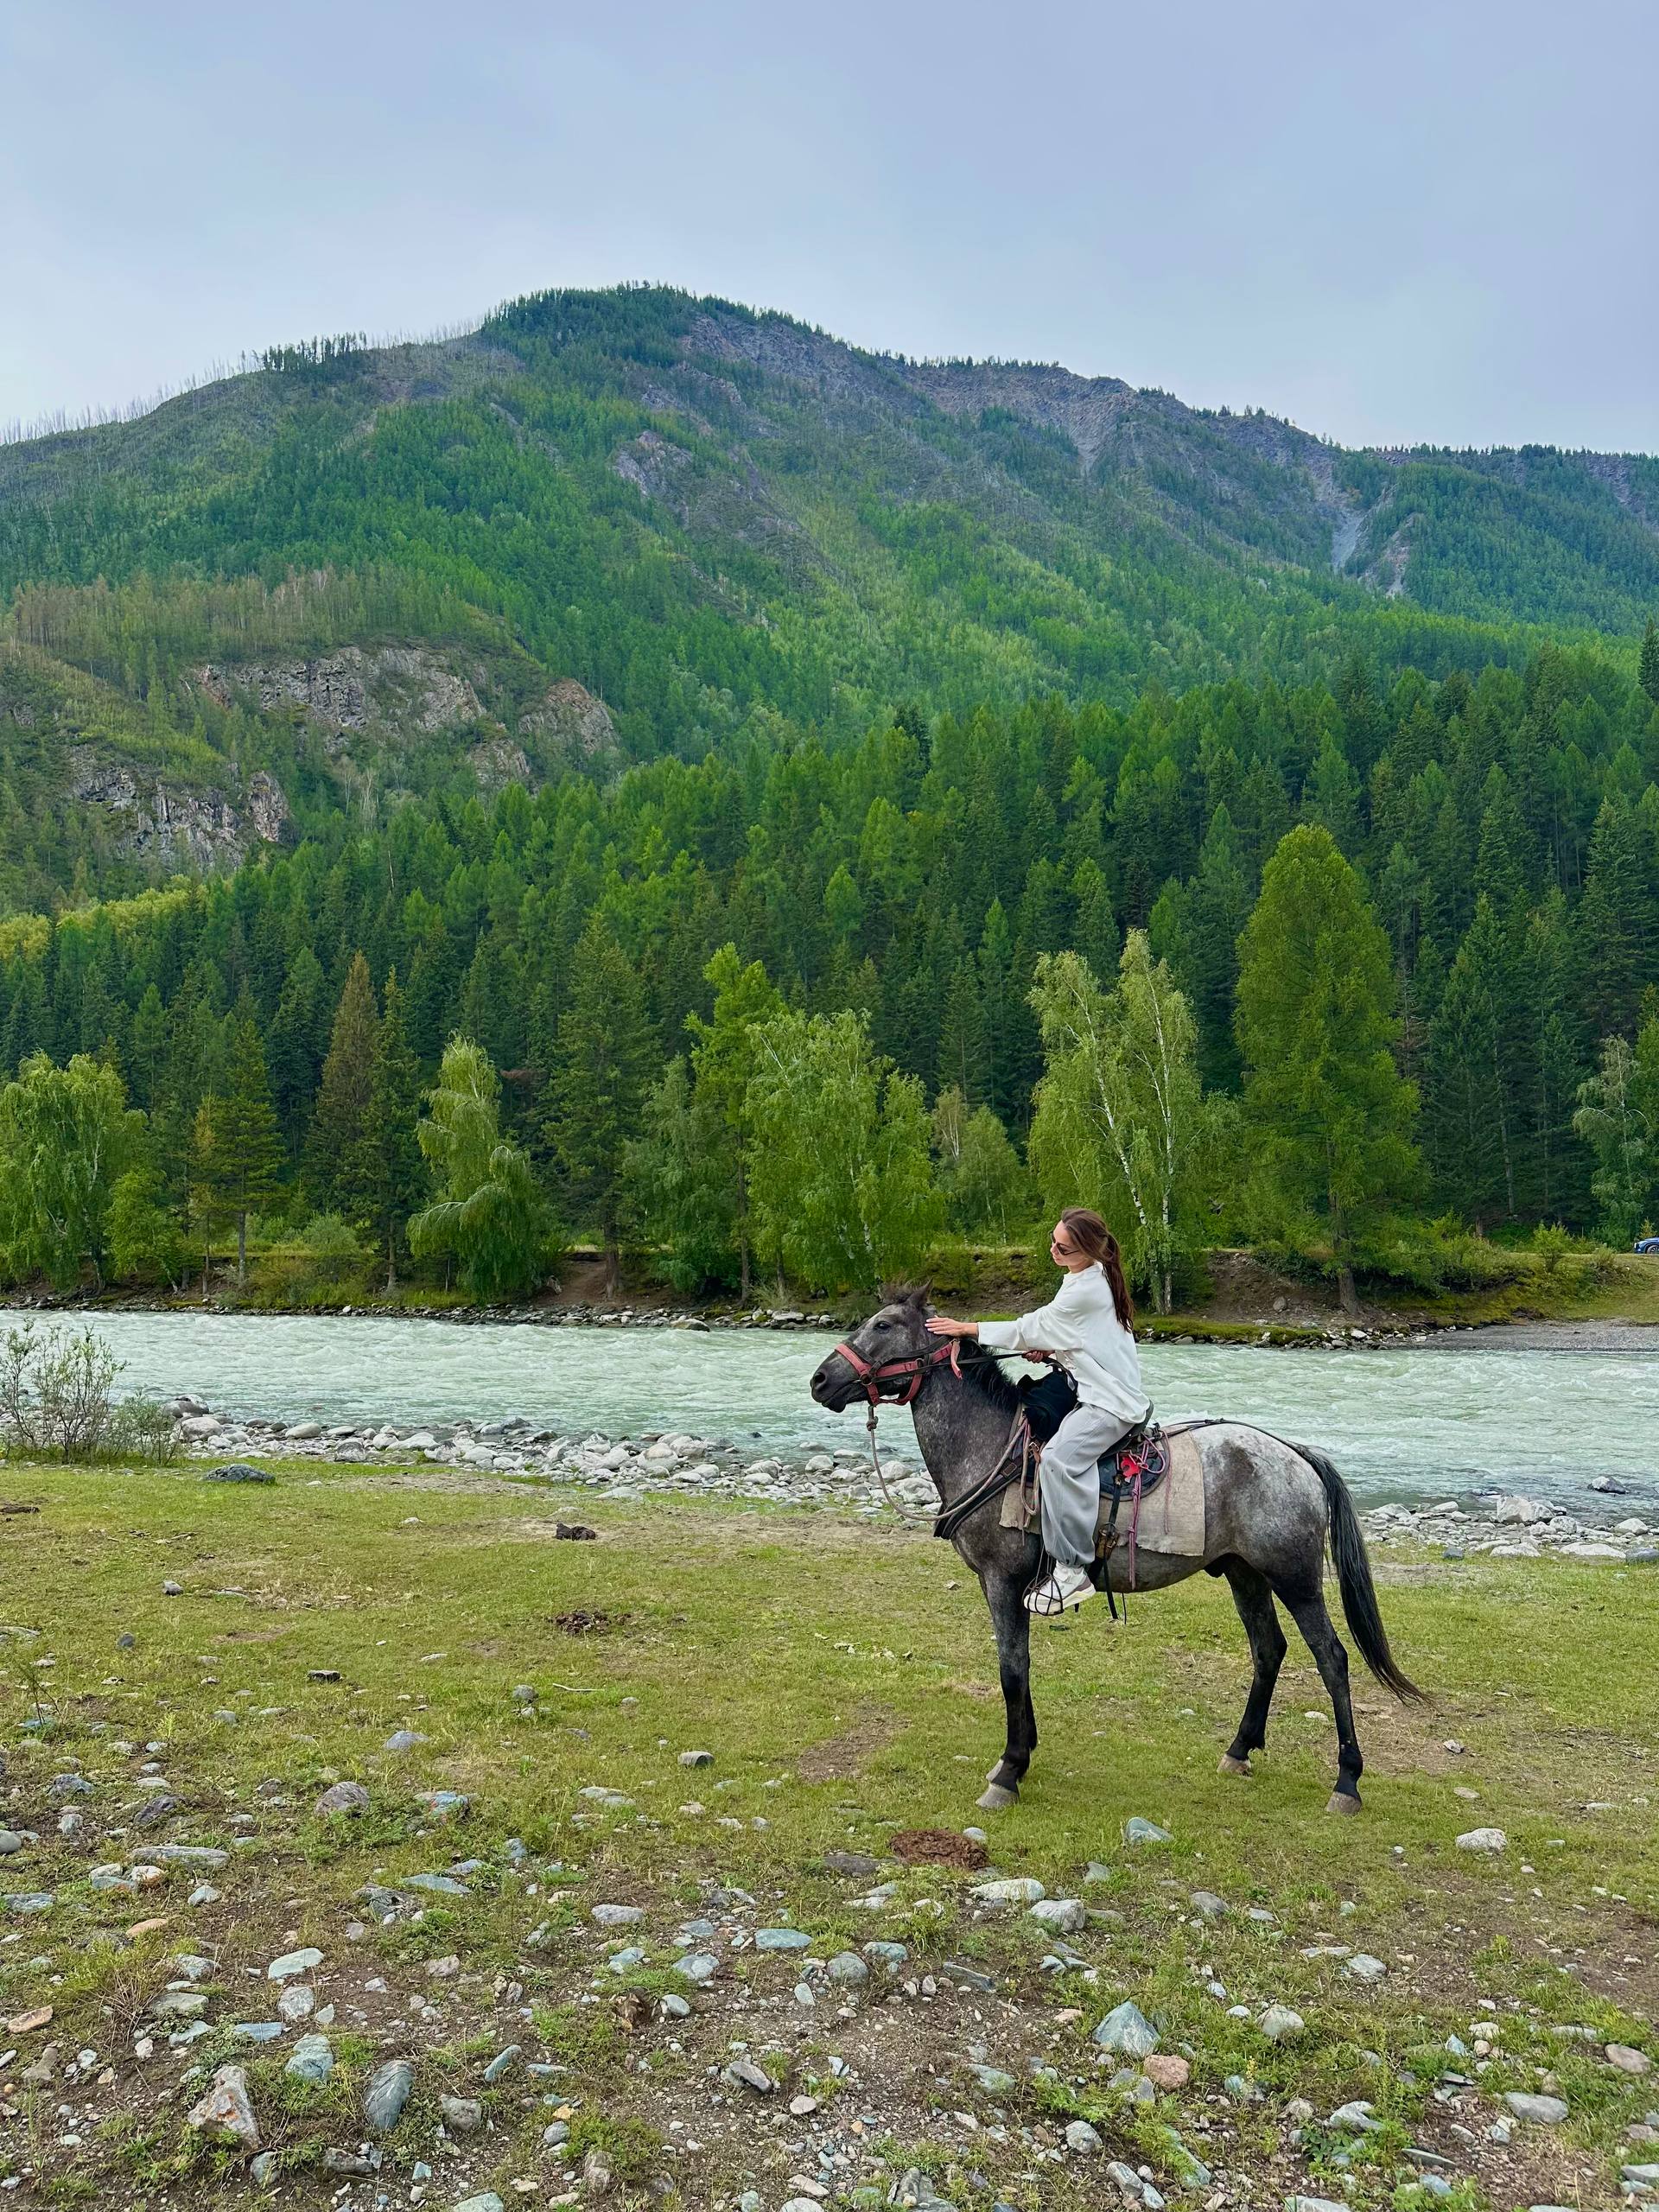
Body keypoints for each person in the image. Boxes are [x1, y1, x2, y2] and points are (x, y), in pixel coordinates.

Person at [926, 1207, 1150, 1616]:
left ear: (1086, 1249)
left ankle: (1071, 1569)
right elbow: (1082, 1340)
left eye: (1062, 1247)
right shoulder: (1087, 1277)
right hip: (1096, 1389)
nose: (1053, 1250)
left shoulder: (1086, 1288)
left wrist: (968, 1328)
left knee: (1057, 1462)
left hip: (1108, 1403)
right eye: (1052, 1241)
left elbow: (1032, 1325)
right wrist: (1053, 1350)